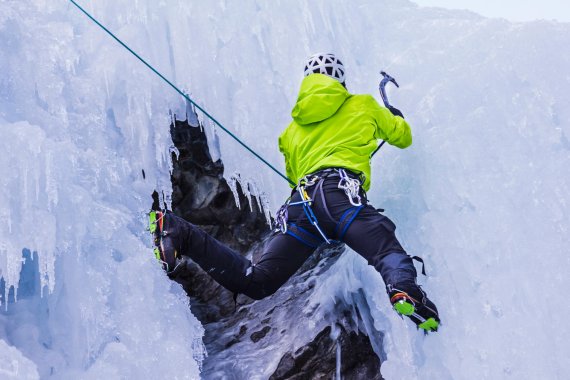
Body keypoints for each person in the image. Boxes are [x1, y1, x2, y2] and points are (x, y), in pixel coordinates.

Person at [150, 53, 440, 332]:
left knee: (258, 281)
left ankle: (179, 231)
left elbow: (293, 176)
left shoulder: (290, 131)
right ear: (340, 80)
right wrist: (393, 117)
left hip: (300, 207)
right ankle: (404, 290)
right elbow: (402, 136)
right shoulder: (363, 104)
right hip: (339, 193)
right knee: (384, 248)